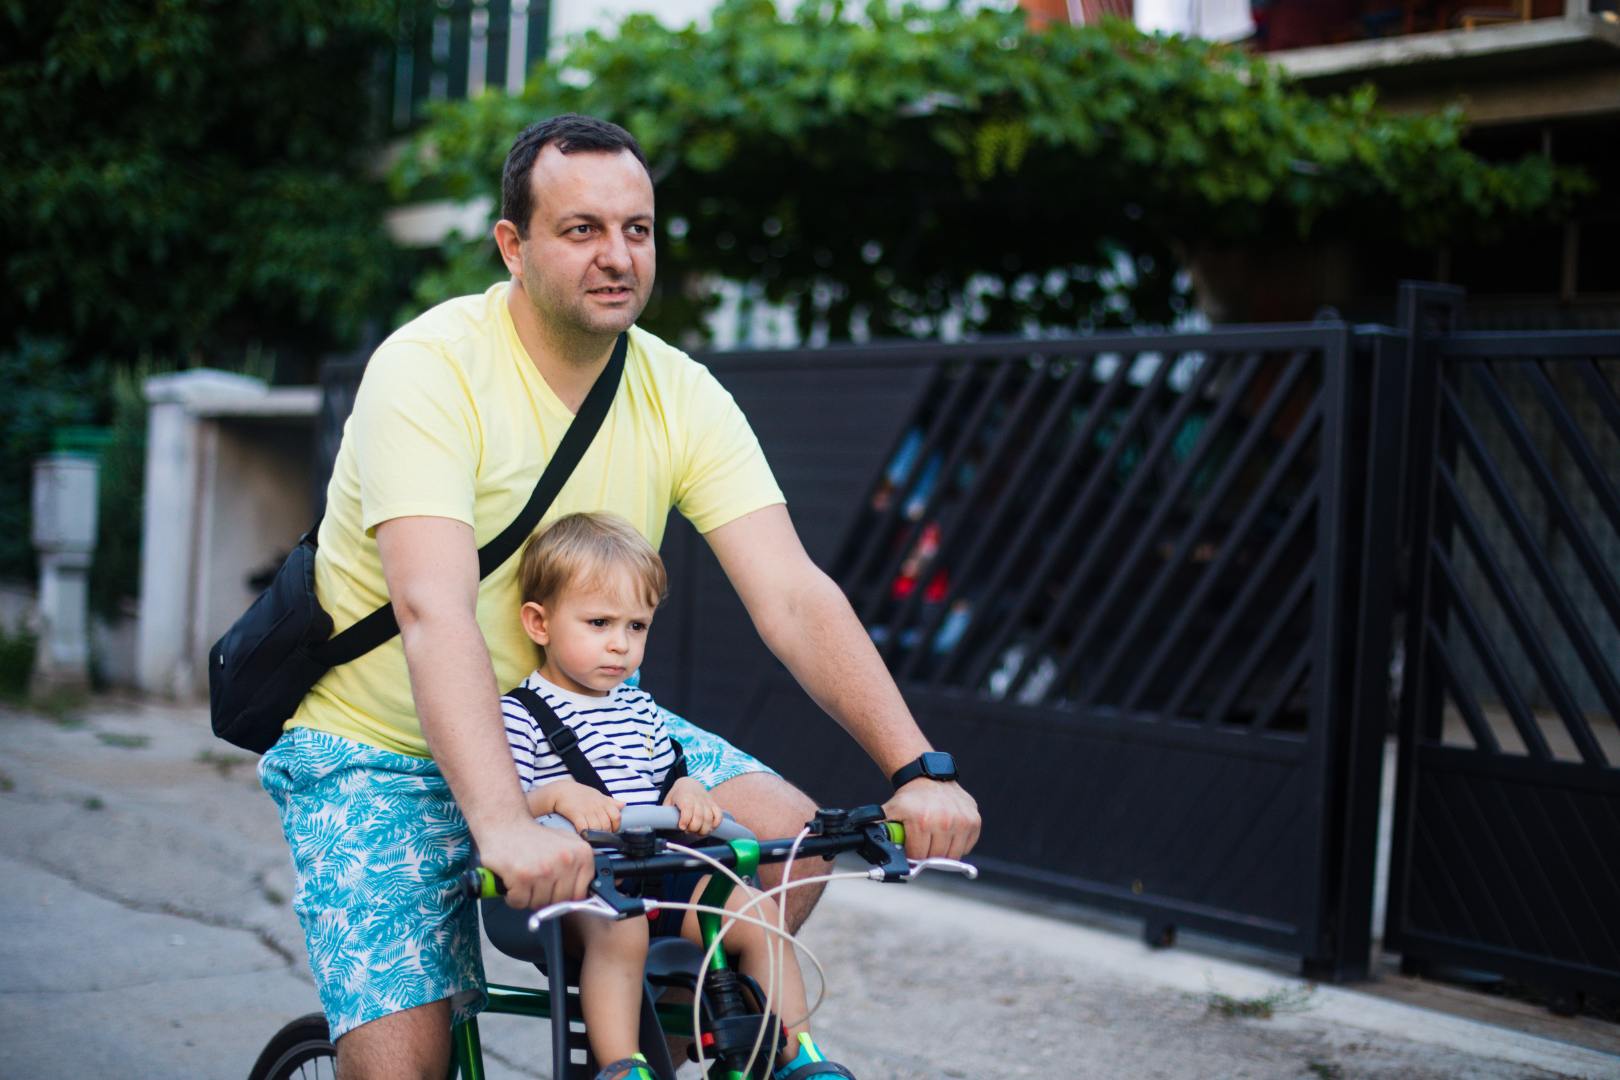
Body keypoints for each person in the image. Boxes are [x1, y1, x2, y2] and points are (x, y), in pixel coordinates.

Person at [258, 112, 979, 1080]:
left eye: (636, 229)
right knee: (403, 1070)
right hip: (379, 743)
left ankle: (656, 1038)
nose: (617, 255)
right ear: (513, 246)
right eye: (582, 229)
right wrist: (506, 820)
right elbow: (435, 613)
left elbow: (794, 595)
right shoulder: (429, 374)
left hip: (579, 722)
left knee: (791, 842)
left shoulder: (679, 393)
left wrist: (915, 766)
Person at [502, 511, 846, 1080]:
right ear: (539, 623)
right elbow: (505, 805)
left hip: (663, 870)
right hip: (582, 885)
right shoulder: (520, 714)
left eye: (636, 627)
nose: (620, 645)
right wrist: (557, 796)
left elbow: (669, 775)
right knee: (624, 926)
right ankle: (621, 1066)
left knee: (757, 912)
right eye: (598, 623)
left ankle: (797, 1055)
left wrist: (688, 791)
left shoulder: (638, 709)